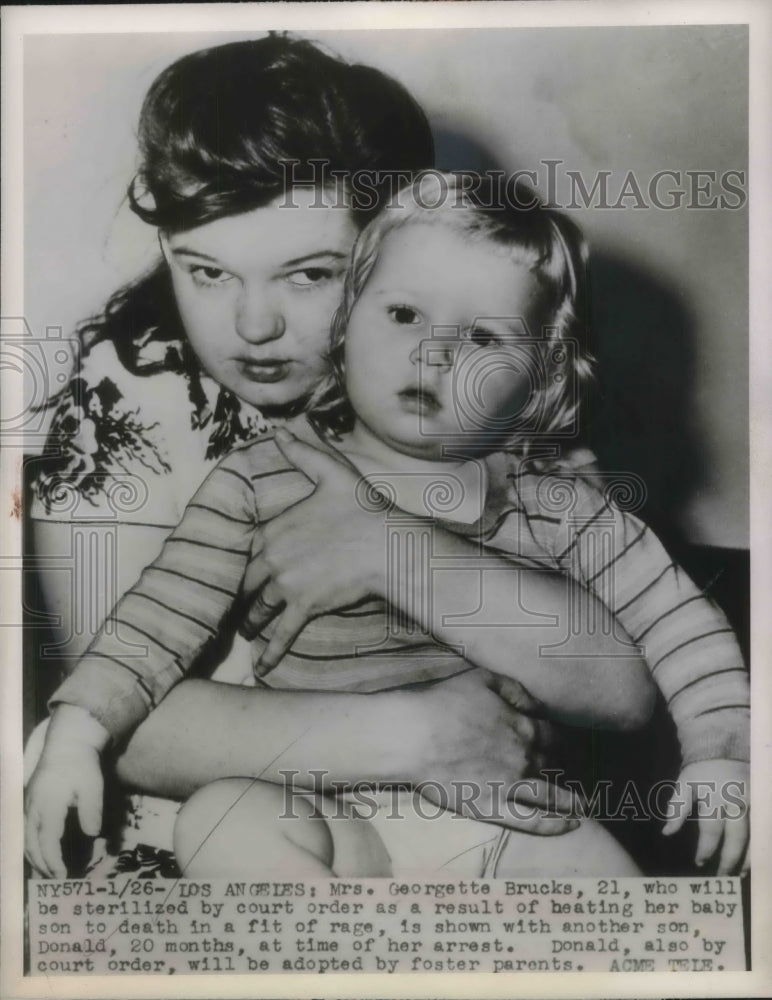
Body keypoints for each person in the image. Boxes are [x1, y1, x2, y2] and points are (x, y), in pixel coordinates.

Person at [27, 175, 748, 880]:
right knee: (224, 817)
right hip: (327, 812)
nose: (434, 354)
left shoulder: (561, 503)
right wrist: (75, 737)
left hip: (512, 820)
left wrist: (720, 750)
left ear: (543, 378)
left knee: (612, 893)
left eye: (482, 335)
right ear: (346, 326)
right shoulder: (264, 475)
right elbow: (153, 622)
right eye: (404, 315)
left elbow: (681, 626)